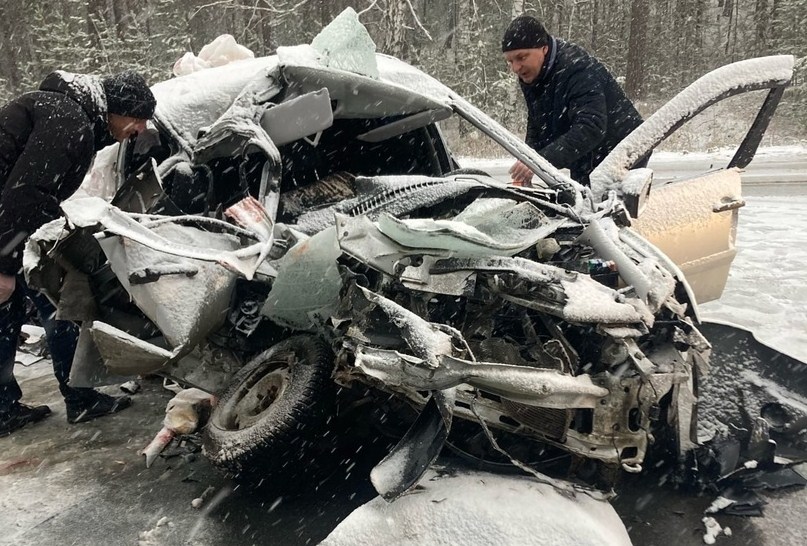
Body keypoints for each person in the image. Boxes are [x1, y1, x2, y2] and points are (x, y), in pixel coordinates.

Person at [0, 69, 156, 436]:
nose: (139, 130)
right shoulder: (69, 121)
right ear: (116, 110)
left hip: (7, 220)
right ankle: (80, 399)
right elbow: (28, 193)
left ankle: (5, 409)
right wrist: (5, 266)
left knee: (9, 316)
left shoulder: (66, 112)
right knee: (64, 303)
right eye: (137, 119)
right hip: (7, 224)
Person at [502, 15, 645, 186]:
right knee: (582, 201)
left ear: (544, 49)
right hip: (587, 152)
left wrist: (538, 161)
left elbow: (591, 127)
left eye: (521, 57)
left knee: (598, 206)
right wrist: (528, 159)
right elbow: (537, 122)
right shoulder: (531, 73)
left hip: (622, 147)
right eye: (510, 61)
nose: (515, 68)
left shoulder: (577, 69)